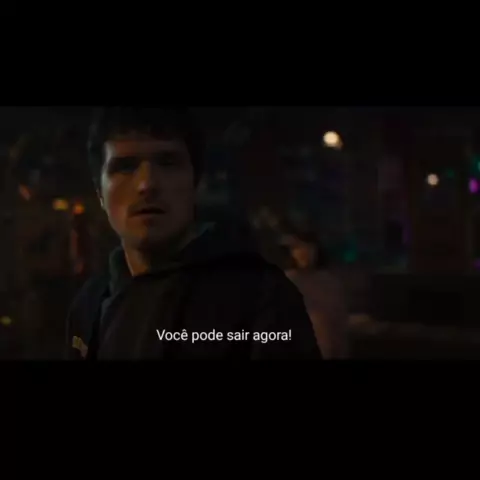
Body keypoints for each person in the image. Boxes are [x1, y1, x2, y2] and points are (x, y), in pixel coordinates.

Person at [65, 107, 321, 360]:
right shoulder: (89, 305)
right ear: (100, 193)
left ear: (195, 183)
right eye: (125, 167)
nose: (147, 184)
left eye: (168, 163)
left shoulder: (259, 298)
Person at [285, 232, 349, 359]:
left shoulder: (330, 283)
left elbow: (339, 323)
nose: (304, 253)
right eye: (298, 248)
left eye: (308, 248)